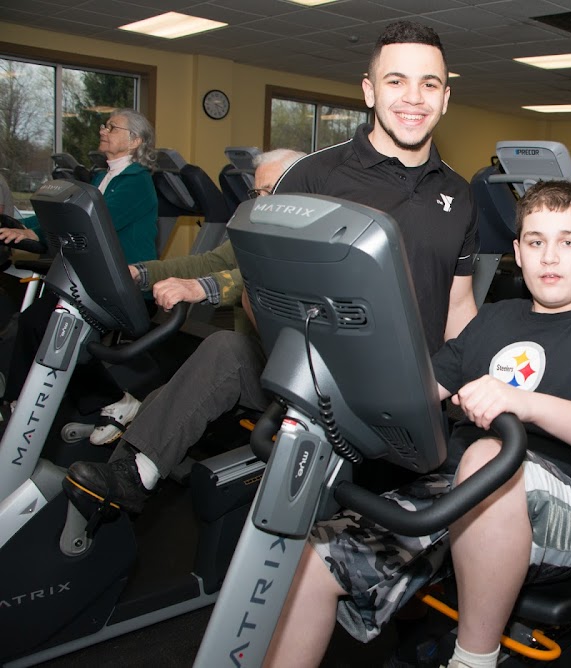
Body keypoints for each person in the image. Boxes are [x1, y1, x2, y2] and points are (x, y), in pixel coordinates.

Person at [64, 20, 479, 514]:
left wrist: (470, 386)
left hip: (412, 400)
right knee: (227, 348)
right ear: (369, 91)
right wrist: (311, 374)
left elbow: (458, 305)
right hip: (316, 381)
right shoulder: (313, 177)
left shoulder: (459, 195)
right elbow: (258, 294)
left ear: (445, 98)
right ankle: (136, 470)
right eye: (396, 81)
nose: (413, 97)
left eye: (429, 84)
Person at [262, 180, 571, 668]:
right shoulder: (493, 319)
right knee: (313, 563)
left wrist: (523, 403)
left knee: (490, 457)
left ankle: (472, 660)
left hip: (568, 513)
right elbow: (421, 393)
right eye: (536, 241)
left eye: (568, 242)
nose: (550, 257)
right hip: (452, 493)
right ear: (518, 252)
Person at [84, 147, 307, 445]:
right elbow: (209, 263)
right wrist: (142, 272)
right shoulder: (257, 230)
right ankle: (130, 461)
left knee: (222, 349)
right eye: (257, 194)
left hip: (291, 378)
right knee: (156, 401)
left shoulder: (312, 240)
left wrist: (203, 288)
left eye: (270, 191)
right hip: (257, 360)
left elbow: (271, 281)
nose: (260, 203)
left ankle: (138, 462)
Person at [0, 108, 159, 408]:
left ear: (135, 140)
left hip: (124, 283)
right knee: (34, 321)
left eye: (111, 127)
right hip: (91, 278)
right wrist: (24, 227)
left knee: (53, 330)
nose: (102, 130)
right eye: (104, 125)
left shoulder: (137, 182)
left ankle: (116, 401)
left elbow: (92, 223)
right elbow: (65, 212)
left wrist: (35, 233)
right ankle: (18, 400)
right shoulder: (102, 177)